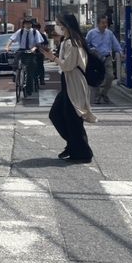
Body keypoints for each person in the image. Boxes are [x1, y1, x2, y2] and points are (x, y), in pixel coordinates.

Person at [43, 13, 97, 162]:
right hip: (69, 82)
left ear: (65, 25)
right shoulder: (68, 40)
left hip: (73, 82)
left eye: (58, 23)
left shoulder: (72, 42)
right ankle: (74, 146)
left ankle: (82, 152)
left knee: (72, 118)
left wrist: (52, 57)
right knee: (60, 115)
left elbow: (67, 65)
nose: (57, 27)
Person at [85, 15, 123, 104]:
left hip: (107, 57)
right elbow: (86, 44)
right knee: (96, 78)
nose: (104, 24)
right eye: (102, 23)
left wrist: (120, 52)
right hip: (96, 59)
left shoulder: (109, 33)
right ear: (98, 23)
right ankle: (97, 96)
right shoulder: (91, 33)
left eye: (106, 22)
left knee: (110, 76)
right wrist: (91, 50)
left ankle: (104, 93)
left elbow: (115, 44)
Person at [7, 17, 46, 93]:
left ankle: (29, 88)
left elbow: (38, 44)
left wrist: (34, 49)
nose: (28, 25)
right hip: (22, 49)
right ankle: (16, 74)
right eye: (26, 23)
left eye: (29, 23)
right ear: (23, 24)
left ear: (31, 24)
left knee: (31, 69)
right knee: (16, 60)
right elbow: (11, 39)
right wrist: (7, 46)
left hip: (31, 50)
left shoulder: (35, 32)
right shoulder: (20, 31)